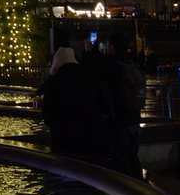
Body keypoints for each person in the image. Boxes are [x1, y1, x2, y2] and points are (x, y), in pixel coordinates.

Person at [39, 46, 113, 162]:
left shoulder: (54, 82)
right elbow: (106, 107)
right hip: (94, 140)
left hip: (65, 143)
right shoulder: (91, 77)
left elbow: (48, 117)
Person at [99, 31, 146, 178]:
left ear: (112, 47)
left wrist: (89, 53)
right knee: (133, 158)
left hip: (118, 121)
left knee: (120, 163)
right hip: (134, 119)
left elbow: (93, 73)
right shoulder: (132, 65)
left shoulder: (111, 66)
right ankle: (141, 192)